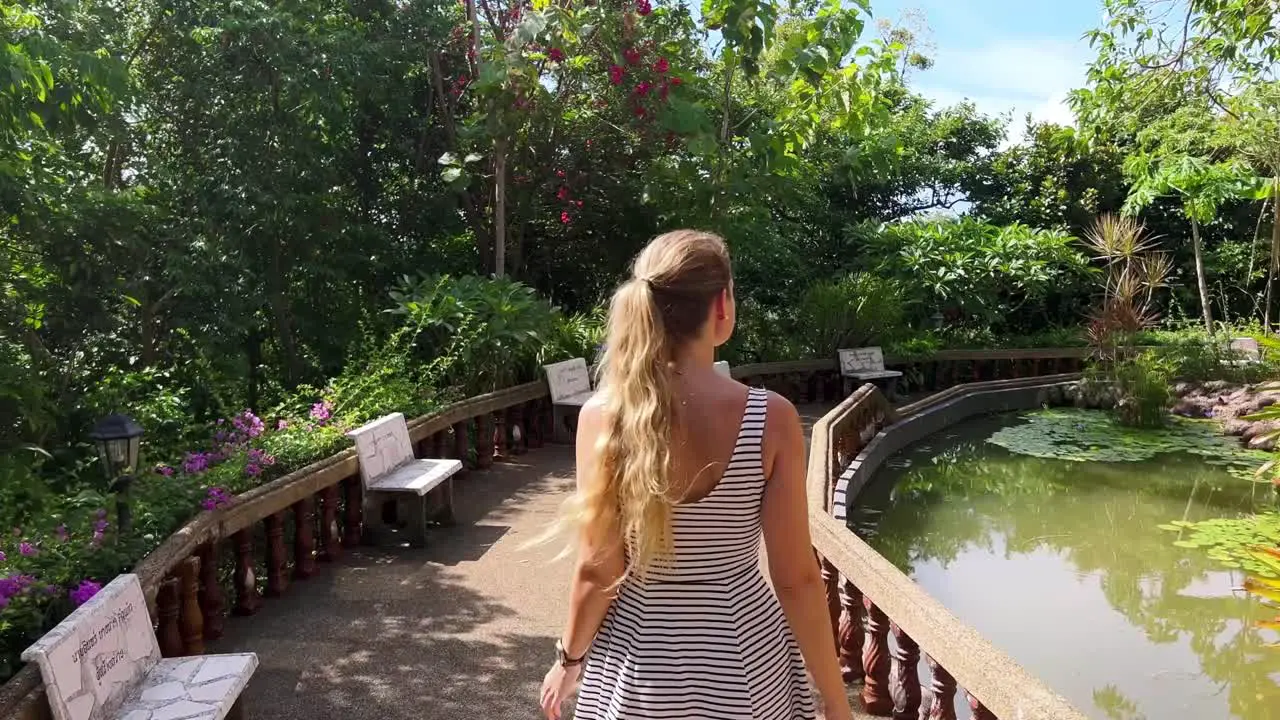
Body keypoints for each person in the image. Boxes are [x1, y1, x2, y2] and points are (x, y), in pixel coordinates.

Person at [539, 230, 852, 720]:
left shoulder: (603, 417)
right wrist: (836, 703)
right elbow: (797, 580)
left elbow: (598, 569)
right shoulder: (771, 418)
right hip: (749, 664)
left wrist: (569, 660)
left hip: (635, 671)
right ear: (722, 306)